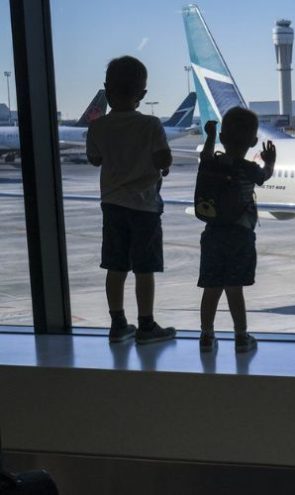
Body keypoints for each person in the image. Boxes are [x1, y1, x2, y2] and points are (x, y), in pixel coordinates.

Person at [86, 56, 174, 344]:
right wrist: (161, 164)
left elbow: (94, 159)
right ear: (143, 95)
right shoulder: (150, 125)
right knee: (144, 268)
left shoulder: (97, 127)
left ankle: (118, 323)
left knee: (115, 266)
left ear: (106, 90)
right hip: (144, 206)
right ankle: (146, 325)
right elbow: (163, 158)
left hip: (112, 205)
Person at [197, 108, 275, 353]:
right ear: (253, 141)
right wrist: (270, 161)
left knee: (211, 289)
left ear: (223, 137)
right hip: (240, 236)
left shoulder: (212, 163)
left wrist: (210, 137)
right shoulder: (249, 169)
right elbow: (265, 175)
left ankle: (207, 336)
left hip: (213, 234)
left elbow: (206, 157)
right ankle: (241, 337)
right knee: (234, 289)